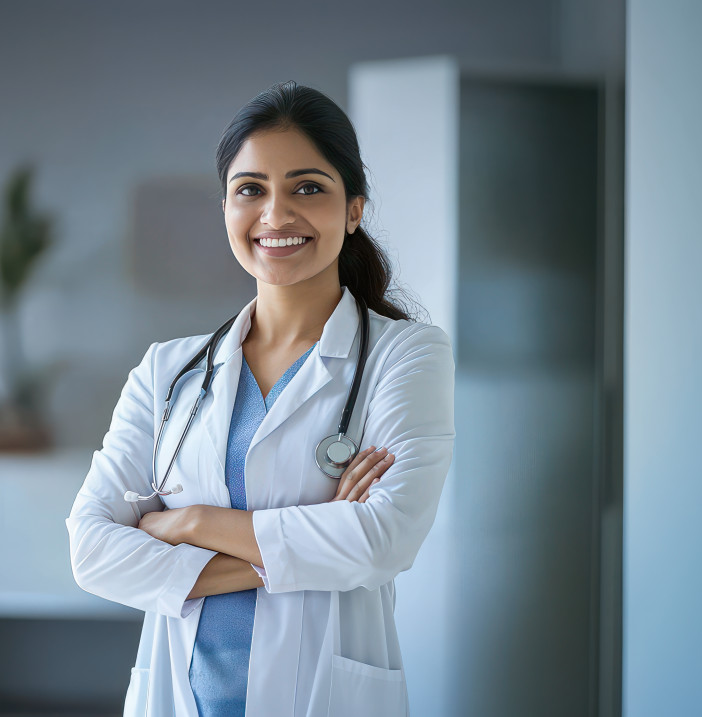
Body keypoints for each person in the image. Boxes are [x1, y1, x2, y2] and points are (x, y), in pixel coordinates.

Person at [66, 81, 455, 717]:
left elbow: (385, 540)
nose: (276, 215)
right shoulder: (169, 371)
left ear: (353, 208)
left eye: (308, 187)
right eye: (251, 189)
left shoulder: (404, 356)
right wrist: (319, 540)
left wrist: (187, 526)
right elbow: (91, 550)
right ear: (225, 206)